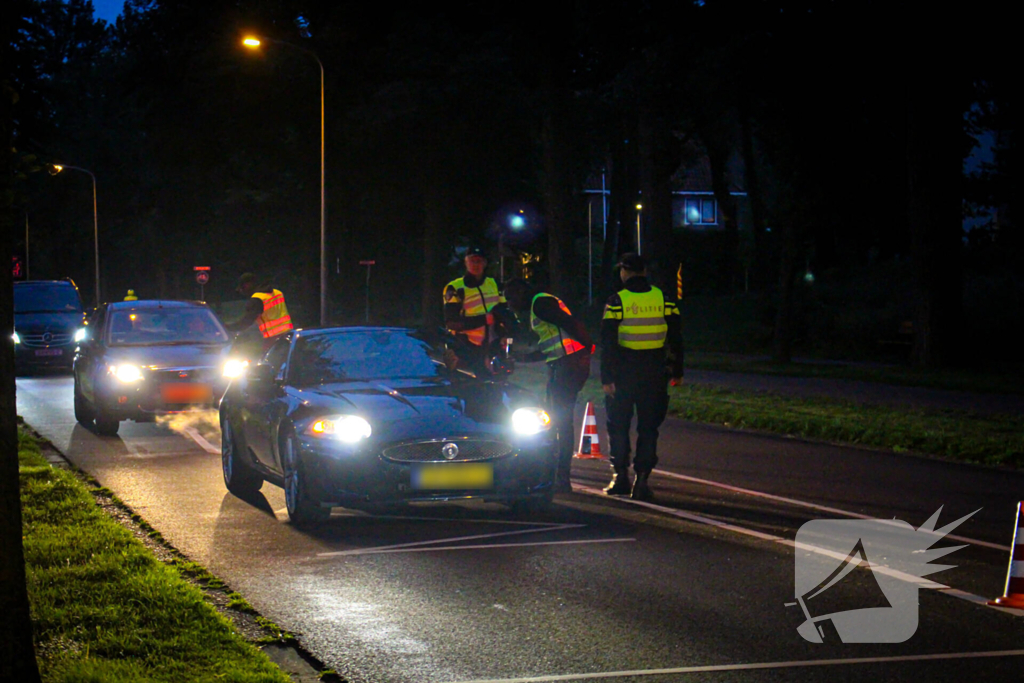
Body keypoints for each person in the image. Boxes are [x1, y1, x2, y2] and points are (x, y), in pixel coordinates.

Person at [600, 253, 683, 502]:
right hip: (654, 371)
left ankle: (620, 477)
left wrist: (607, 377)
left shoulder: (617, 301)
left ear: (625, 271)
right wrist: (677, 371)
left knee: (619, 426)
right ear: (645, 271)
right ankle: (642, 481)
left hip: (624, 372)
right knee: (648, 428)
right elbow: (676, 337)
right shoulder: (663, 298)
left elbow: (608, 342)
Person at [504, 278, 594, 494]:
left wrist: (587, 348)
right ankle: (557, 476)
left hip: (567, 366)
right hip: (563, 364)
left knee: (559, 422)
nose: (510, 304)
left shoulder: (540, 304)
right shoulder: (539, 305)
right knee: (556, 420)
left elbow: (571, 324)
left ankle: (561, 478)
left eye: (511, 297)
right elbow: (550, 344)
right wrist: (522, 357)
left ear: (522, 292)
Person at [443, 246, 516, 373]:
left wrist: (506, 334)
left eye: (479, 261)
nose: (476, 264)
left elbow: (504, 312)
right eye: (472, 260)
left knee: (497, 386)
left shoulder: (494, 284)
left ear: (485, 263)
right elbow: (451, 322)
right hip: (466, 348)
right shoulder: (455, 287)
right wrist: (484, 319)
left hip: (493, 347)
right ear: (466, 262)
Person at [225, 273, 294, 353]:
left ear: (247, 285)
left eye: (242, 288)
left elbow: (246, 322)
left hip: (273, 341)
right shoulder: (277, 292)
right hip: (289, 336)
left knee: (268, 362)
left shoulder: (257, 299)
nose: (241, 291)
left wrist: (227, 328)